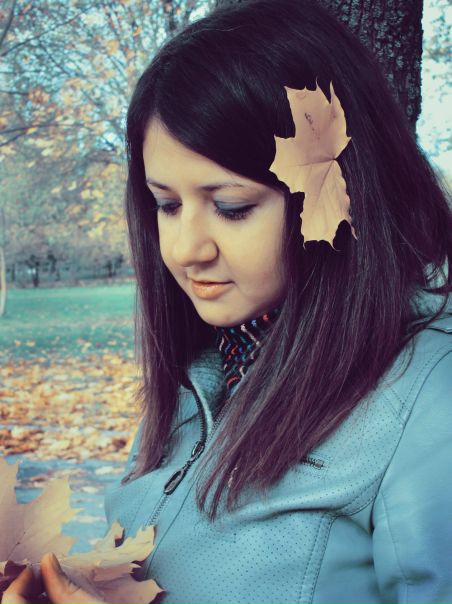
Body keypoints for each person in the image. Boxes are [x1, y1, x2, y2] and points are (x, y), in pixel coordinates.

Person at [5, 0, 452, 602]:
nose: (185, 249)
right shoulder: (200, 373)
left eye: (231, 207)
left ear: (338, 194)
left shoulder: (430, 398)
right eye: (167, 205)